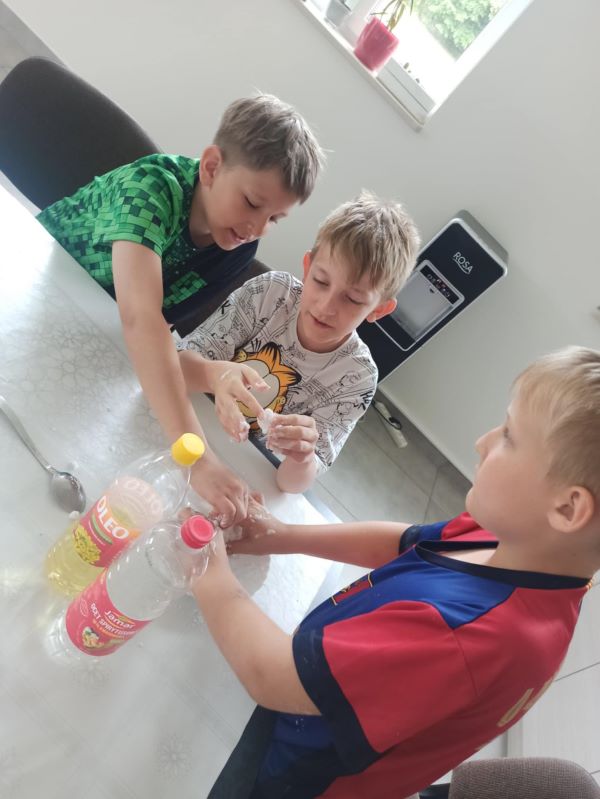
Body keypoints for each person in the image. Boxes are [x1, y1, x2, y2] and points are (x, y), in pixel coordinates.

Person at [192, 345, 600, 798]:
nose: (482, 443)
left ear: (567, 508)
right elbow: (406, 543)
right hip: (308, 682)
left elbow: (271, 677)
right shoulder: (514, 539)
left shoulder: (470, 639)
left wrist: (208, 569)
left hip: (286, 772)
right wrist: (283, 535)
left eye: (508, 435)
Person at [36, 94, 324, 524]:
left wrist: (213, 373)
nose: (256, 228)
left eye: (274, 219)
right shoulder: (153, 187)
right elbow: (141, 319)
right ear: (211, 167)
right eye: (251, 203)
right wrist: (197, 457)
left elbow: (160, 330)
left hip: (92, 337)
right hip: (39, 285)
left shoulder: (237, 248)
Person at [176, 191, 420, 492]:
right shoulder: (270, 294)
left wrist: (303, 457)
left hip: (245, 470)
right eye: (320, 281)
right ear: (307, 267)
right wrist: (215, 375)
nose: (326, 306)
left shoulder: (357, 378)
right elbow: (175, 369)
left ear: (378, 310)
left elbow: (291, 485)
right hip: (189, 421)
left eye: (353, 299)